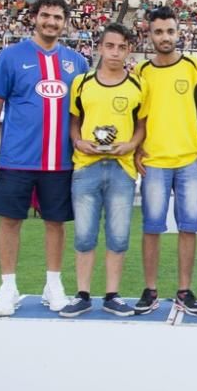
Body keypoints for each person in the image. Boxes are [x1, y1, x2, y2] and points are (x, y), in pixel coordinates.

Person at [0, 0, 90, 317]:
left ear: (65, 22)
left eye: (57, 17)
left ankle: (53, 285)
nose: (51, 22)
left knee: (56, 223)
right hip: (16, 159)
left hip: (60, 161)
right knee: (10, 221)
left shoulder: (77, 62)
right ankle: (8, 287)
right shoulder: (12, 57)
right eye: (45, 15)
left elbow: (84, 111)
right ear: (35, 18)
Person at [59, 23, 148, 318]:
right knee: (84, 235)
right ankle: (82, 294)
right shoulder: (82, 82)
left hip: (122, 169)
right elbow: (74, 121)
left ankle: (112, 295)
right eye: (110, 46)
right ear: (100, 47)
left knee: (118, 235)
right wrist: (78, 142)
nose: (115, 52)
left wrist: (131, 145)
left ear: (129, 50)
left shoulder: (137, 85)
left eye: (122, 47)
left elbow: (141, 126)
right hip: (87, 167)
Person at [132, 7, 197, 316]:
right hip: (154, 161)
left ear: (178, 33)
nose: (164, 37)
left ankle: (184, 291)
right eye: (158, 32)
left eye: (170, 31)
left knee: (188, 228)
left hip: (189, 162)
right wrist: (137, 149)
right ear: (149, 34)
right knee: (152, 228)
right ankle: (150, 290)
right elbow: (137, 116)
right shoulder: (141, 71)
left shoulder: (195, 67)